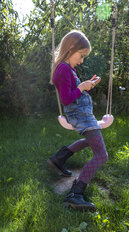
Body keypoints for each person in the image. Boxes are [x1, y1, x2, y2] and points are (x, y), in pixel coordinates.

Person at [48, 30, 108, 211]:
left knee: (89, 142)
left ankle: (59, 159)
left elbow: (75, 93)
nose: (82, 60)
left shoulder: (69, 69)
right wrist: (81, 87)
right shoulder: (62, 69)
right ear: (71, 48)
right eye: (81, 56)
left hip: (81, 113)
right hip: (79, 115)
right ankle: (76, 194)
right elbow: (66, 99)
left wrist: (86, 86)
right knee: (102, 155)